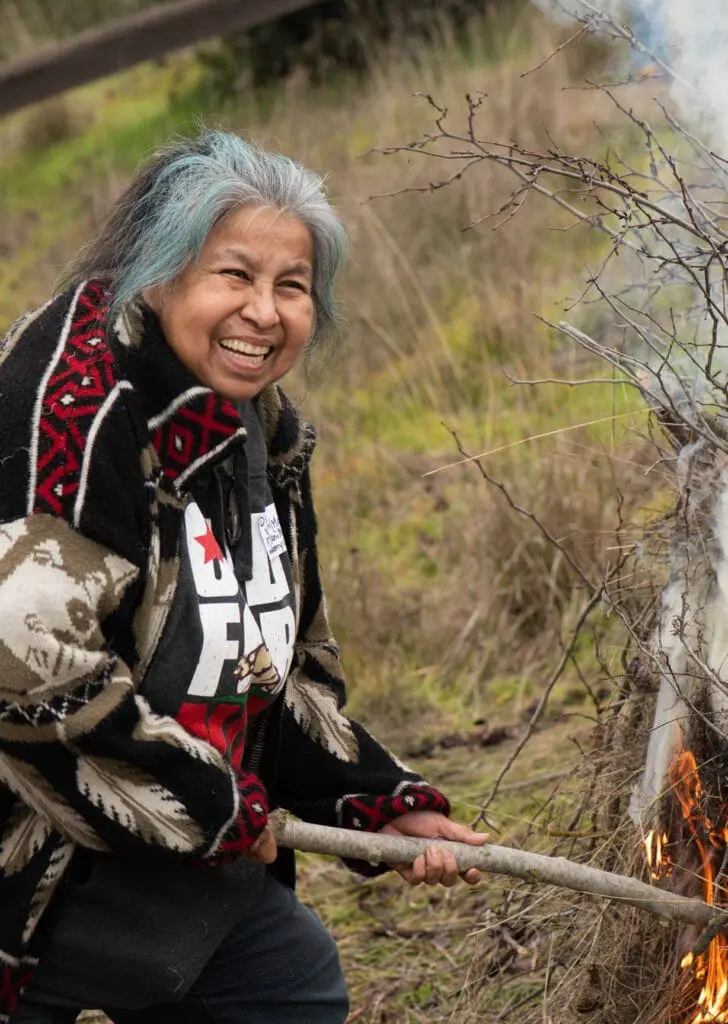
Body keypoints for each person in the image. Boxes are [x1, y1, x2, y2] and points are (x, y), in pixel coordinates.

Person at [0, 130, 487, 1024]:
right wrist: (214, 805)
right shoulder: (79, 398)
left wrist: (379, 804)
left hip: (185, 841)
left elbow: (279, 667)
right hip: (36, 852)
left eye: (292, 287)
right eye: (234, 275)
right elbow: (20, 659)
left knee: (286, 981)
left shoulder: (262, 434)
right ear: (160, 271)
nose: (264, 312)